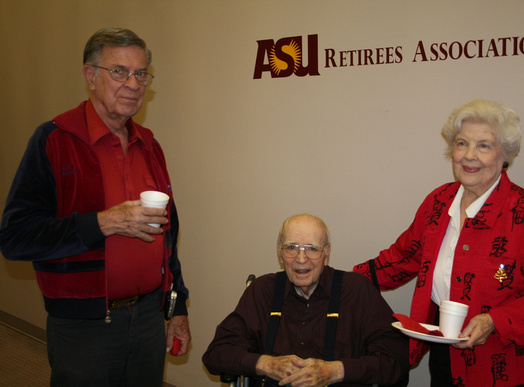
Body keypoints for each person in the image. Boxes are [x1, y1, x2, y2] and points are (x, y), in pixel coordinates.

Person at [0, 28, 191, 386]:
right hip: (84, 325)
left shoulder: (149, 145)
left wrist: (176, 308)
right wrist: (102, 222)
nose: (133, 84)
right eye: (119, 71)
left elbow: (168, 238)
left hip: (149, 317)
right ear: (90, 76)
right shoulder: (54, 140)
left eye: (141, 74)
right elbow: (15, 237)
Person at [353, 99, 524, 386]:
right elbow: (401, 258)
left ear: (505, 154)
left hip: (514, 370)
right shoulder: (438, 202)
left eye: (484, 145)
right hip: (447, 360)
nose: (469, 155)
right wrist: (338, 282)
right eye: (461, 144)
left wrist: (493, 320)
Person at [203, 213, 410, 387]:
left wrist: (336, 370)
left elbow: (396, 361)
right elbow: (216, 354)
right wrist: (266, 365)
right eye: (291, 247)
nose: (301, 260)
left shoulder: (356, 291)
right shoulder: (263, 291)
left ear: (326, 252)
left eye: (312, 248)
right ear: (279, 251)